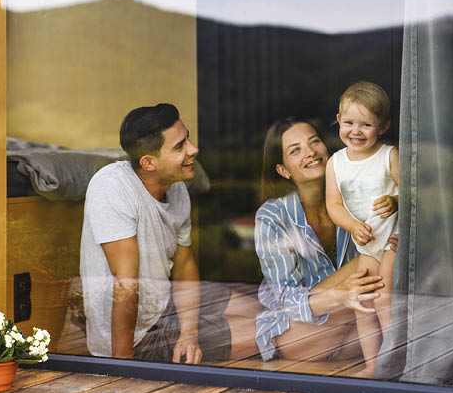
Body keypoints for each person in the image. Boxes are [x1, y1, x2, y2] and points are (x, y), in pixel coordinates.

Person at [80, 103, 259, 364]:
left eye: (188, 137)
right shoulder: (112, 186)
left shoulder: (177, 189)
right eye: (180, 146)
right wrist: (122, 367)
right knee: (269, 333)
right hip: (138, 337)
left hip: (165, 303)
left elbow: (184, 264)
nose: (194, 149)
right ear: (149, 162)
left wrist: (189, 332)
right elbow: (126, 285)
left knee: (259, 313)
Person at [255, 116, 394, 369]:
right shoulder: (273, 216)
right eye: (295, 151)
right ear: (283, 170)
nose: (310, 153)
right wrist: (341, 295)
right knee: (372, 260)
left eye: (314, 142)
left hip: (355, 323)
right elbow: (286, 300)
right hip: (301, 332)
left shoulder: (356, 195)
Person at [326, 81, 399, 377]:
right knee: (363, 302)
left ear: (382, 126)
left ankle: (396, 364)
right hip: (368, 244)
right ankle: (372, 366)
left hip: (394, 240)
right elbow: (334, 205)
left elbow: (415, 193)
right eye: (349, 123)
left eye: (366, 124)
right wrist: (353, 226)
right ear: (338, 120)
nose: (356, 131)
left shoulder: (388, 155)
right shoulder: (336, 163)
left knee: (384, 298)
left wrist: (395, 201)